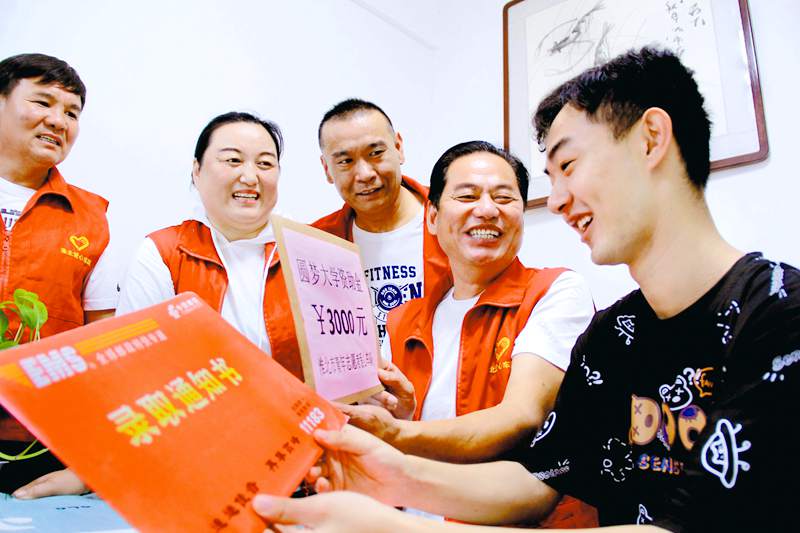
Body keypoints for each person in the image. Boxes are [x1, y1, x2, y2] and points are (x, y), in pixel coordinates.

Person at [252, 47, 800, 531]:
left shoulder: (779, 314)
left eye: (568, 164)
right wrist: (390, 474)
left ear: (651, 139)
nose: (556, 201)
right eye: (551, 178)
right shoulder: (615, 334)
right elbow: (541, 480)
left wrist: (396, 521)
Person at [341, 141, 597, 526]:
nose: (488, 209)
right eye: (467, 196)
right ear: (432, 217)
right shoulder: (403, 319)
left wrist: (398, 432)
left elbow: (522, 416)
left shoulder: (555, 291)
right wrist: (400, 415)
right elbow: (396, 432)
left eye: (504, 198)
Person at [0, 53, 117, 498]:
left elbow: (103, 344)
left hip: (45, 444)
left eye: (71, 112)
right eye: (43, 102)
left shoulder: (92, 219)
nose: (58, 121)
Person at [116, 112, 303, 379]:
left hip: (296, 406)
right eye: (233, 160)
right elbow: (134, 368)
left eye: (265, 163)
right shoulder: (162, 254)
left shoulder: (307, 253)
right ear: (197, 170)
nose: (250, 177)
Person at [312, 98, 450, 417]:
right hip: (365, 422)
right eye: (345, 161)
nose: (364, 174)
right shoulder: (315, 245)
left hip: (450, 417)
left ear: (398, 147)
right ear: (327, 169)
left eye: (376, 153)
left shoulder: (451, 221)